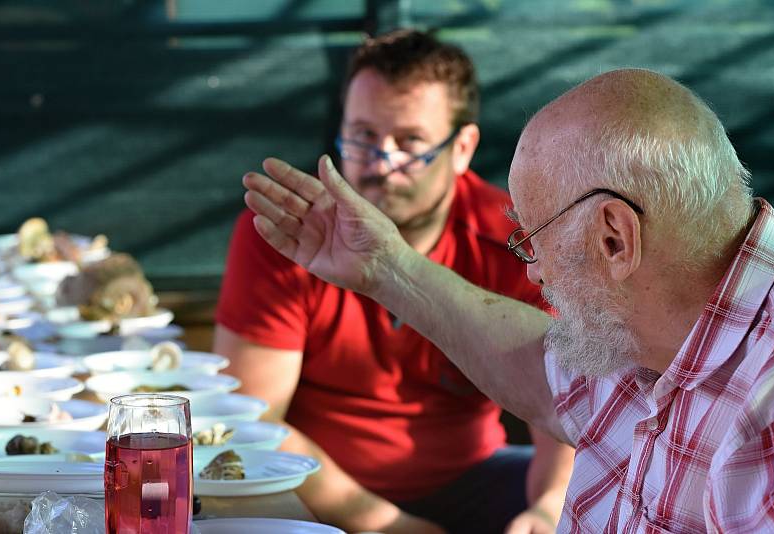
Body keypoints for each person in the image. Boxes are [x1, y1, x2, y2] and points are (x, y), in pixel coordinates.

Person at [241, 67, 774, 532]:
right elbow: (546, 377)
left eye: (531, 238)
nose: (534, 270)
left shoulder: (764, 416)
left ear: (614, 237)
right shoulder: (656, 327)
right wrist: (386, 268)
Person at [215, 30, 574, 534]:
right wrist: (387, 525)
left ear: (462, 147)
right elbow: (252, 423)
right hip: (315, 490)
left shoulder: (515, 241)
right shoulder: (288, 231)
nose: (380, 163)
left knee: (614, 494)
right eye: (362, 135)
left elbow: (563, 397)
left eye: (409, 142)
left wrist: (550, 506)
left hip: (474, 478)